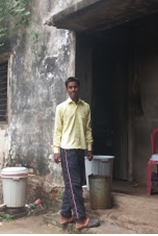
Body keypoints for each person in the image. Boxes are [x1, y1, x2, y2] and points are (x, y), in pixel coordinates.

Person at [52, 76, 99, 230]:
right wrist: (56, 151)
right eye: (70, 87)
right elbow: (57, 130)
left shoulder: (86, 107)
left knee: (72, 184)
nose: (73, 90)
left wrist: (89, 148)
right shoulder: (61, 108)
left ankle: (65, 215)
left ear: (79, 88)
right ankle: (80, 219)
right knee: (75, 185)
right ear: (67, 89)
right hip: (66, 150)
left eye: (75, 87)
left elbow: (88, 129)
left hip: (80, 149)